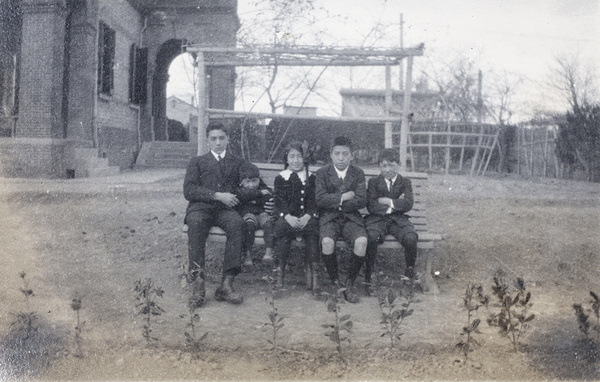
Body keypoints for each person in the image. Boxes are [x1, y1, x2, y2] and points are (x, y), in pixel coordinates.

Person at [183, 122, 246, 305]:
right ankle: (198, 283)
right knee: (195, 223)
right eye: (213, 139)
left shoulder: (237, 162)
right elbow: (189, 190)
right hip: (201, 208)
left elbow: (246, 187)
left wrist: (234, 197)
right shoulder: (197, 162)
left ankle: (227, 284)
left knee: (237, 223)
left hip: (225, 210)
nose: (218, 142)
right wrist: (217, 195)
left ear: (228, 139)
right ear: (207, 140)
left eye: (221, 138)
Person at [315, 136, 368, 303]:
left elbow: (361, 200)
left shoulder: (357, 173)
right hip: (329, 218)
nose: (341, 157)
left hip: (351, 217)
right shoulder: (322, 173)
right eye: (337, 153)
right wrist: (344, 196)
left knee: (361, 242)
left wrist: (337, 203)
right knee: (327, 242)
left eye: (345, 154)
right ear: (331, 154)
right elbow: (320, 199)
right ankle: (335, 283)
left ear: (352, 156)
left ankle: (349, 283)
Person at [364, 148, 419, 294]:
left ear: (398, 165)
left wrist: (388, 201)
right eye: (383, 166)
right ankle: (369, 277)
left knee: (410, 238)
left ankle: (409, 277)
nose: (387, 169)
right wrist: (396, 204)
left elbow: (408, 204)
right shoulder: (374, 182)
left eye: (391, 165)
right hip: (377, 220)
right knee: (371, 237)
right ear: (379, 167)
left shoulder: (405, 182)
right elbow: (371, 206)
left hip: (398, 220)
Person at [272, 141, 320, 291]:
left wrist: (308, 215)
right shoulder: (281, 177)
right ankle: (280, 273)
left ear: (304, 158)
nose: (296, 160)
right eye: (292, 156)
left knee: (313, 234)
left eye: (299, 156)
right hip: (288, 219)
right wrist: (287, 216)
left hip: (306, 219)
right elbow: (279, 201)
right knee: (283, 233)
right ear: (286, 159)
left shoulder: (311, 177)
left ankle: (315, 275)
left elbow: (313, 200)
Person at [235, 162, 275, 267]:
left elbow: (269, 195)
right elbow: (242, 197)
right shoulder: (239, 191)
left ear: (259, 179)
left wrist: (254, 201)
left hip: (262, 214)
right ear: (241, 182)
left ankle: (268, 253)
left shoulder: (262, 187)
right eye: (247, 182)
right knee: (249, 226)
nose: (251, 185)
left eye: (254, 181)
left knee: (268, 225)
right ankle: (247, 255)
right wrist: (259, 195)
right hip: (248, 215)